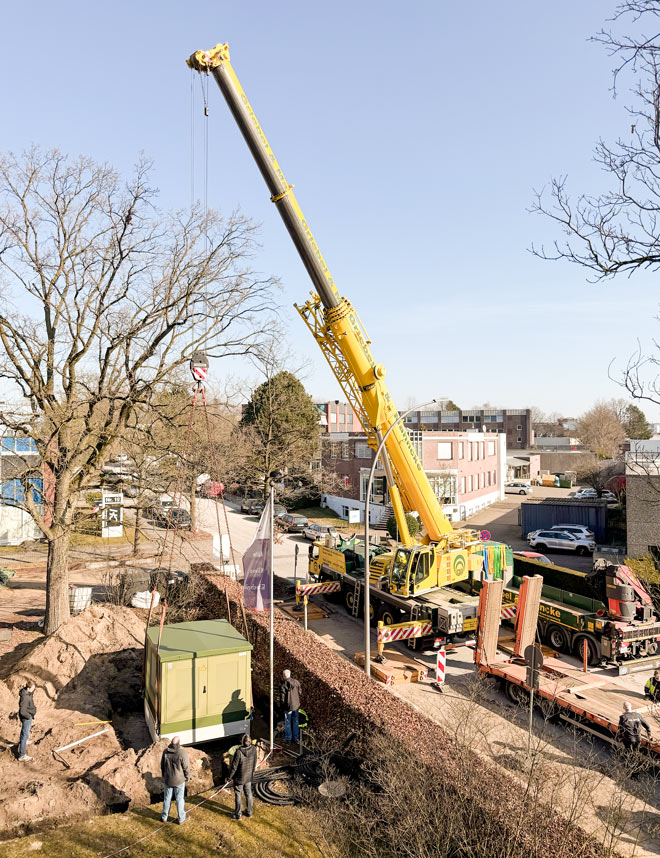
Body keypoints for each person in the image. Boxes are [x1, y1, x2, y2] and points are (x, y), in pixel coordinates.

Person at [160, 736, 189, 824]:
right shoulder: (182, 753)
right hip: (179, 781)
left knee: (167, 799)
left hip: (168, 780)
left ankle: (164, 817)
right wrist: (187, 777)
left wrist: (164, 776)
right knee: (179, 799)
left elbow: (162, 765)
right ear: (179, 743)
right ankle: (181, 819)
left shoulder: (165, 752)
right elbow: (186, 767)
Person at [229, 733, 257, 820]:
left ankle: (238, 814)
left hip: (239, 778)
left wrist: (229, 777)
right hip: (248, 776)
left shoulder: (239, 752)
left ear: (242, 742)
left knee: (238, 794)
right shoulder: (254, 749)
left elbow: (234, 767)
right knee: (248, 794)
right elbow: (254, 762)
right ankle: (249, 812)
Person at [279, 669, 302, 744]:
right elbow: (300, 692)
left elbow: (282, 699)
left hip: (287, 707)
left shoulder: (283, 685)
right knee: (296, 721)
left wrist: (282, 707)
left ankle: (288, 739)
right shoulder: (296, 682)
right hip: (296, 705)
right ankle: (296, 738)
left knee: (287, 722)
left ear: (283, 676)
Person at [17, 682, 36, 761]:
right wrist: (29, 716)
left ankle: (25, 742)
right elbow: (22, 711)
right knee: (24, 734)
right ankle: (22, 755)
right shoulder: (25, 697)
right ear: (28, 688)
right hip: (26, 718)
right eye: (32, 688)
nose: (34, 689)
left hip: (27, 716)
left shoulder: (27, 693)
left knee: (25, 733)